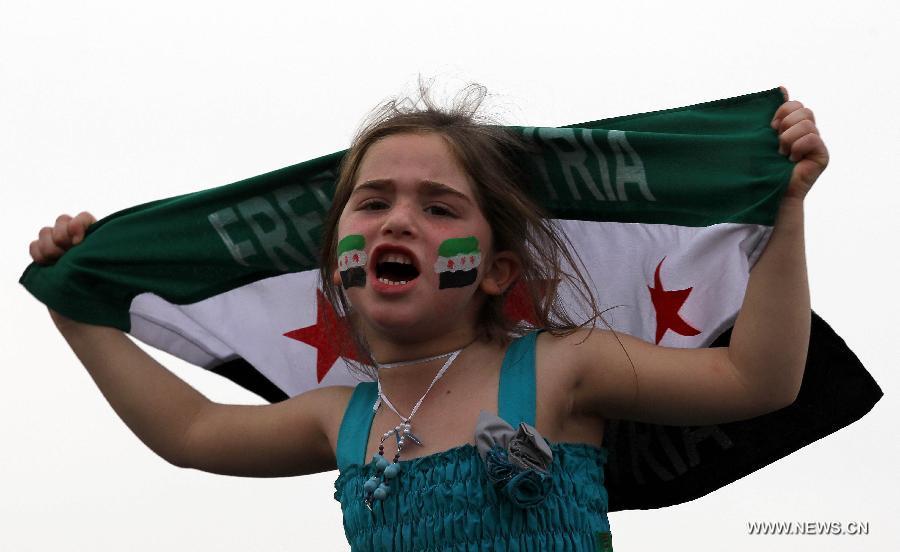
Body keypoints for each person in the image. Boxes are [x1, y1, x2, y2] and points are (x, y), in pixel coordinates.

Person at [28, 85, 828, 551]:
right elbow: (192, 434)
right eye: (371, 203)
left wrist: (784, 213)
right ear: (336, 268)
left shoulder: (558, 367)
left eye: (438, 207)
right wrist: (78, 311)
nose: (396, 221)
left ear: (494, 271)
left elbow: (756, 377)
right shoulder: (341, 418)